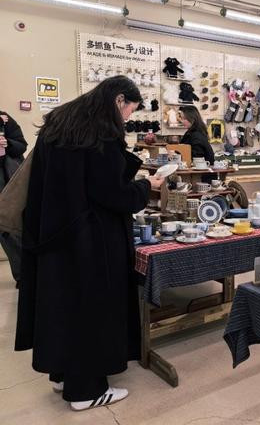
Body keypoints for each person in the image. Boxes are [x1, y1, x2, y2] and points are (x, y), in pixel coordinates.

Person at [15, 76, 164, 411]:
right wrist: (146, 187)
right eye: (129, 110)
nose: (127, 117)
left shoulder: (61, 123)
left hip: (53, 233)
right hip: (90, 239)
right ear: (119, 99)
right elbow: (112, 194)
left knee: (63, 306)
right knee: (92, 309)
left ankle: (63, 374)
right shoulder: (101, 133)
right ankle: (86, 390)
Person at [0, 111, 28, 287]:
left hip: (7, 180)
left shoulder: (5, 119)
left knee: (10, 229)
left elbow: (21, 146)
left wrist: (7, 143)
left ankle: (24, 274)